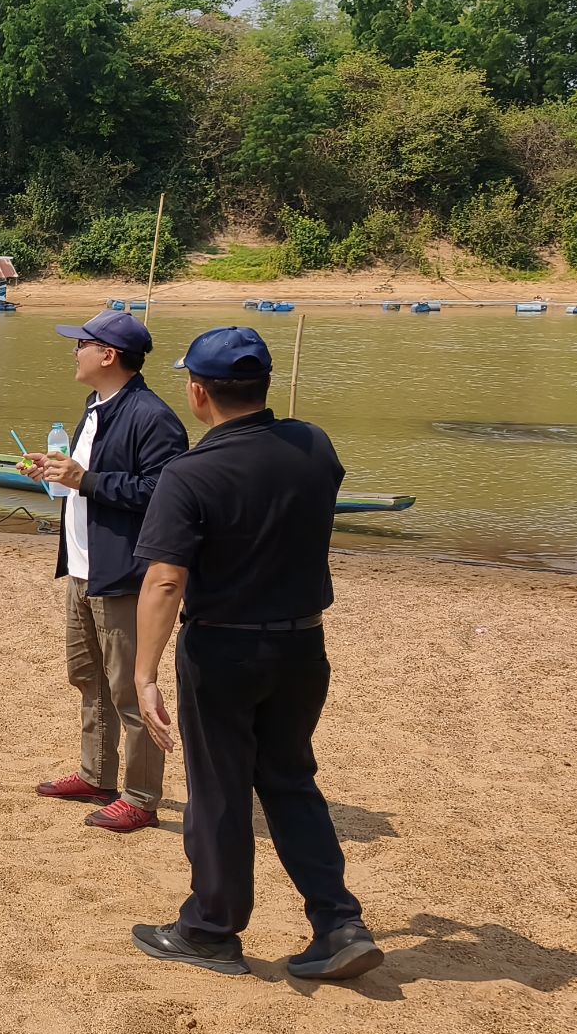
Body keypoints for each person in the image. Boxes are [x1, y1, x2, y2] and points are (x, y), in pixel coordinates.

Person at [127, 327, 384, 983]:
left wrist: (143, 673)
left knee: (218, 792)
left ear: (198, 392)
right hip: (302, 643)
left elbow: (165, 580)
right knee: (290, 778)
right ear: (265, 384)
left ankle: (211, 929)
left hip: (224, 646)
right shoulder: (315, 446)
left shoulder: (190, 472)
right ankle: (339, 921)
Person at [23, 310, 190, 833]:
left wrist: (87, 480)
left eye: (82, 344)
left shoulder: (152, 417)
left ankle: (140, 797)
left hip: (123, 574)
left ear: (108, 355)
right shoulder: (94, 406)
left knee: (129, 688)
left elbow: (165, 493)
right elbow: (87, 479)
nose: (74, 352)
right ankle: (97, 775)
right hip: (82, 568)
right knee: (88, 677)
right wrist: (58, 473)